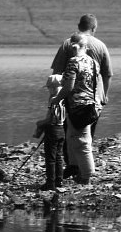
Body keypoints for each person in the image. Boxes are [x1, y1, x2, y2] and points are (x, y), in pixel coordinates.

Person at [57, 34, 105, 183]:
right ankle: (78, 170)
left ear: (72, 46)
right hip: (91, 106)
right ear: (87, 47)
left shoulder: (73, 62)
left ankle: (86, 177)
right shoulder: (93, 62)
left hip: (78, 106)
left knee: (82, 143)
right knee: (75, 139)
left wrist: (55, 99)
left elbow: (69, 87)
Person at [34, 74, 68, 191]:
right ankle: (59, 181)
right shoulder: (65, 97)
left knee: (50, 158)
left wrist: (40, 123)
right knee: (58, 156)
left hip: (53, 129)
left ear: (53, 87)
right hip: (62, 129)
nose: (48, 90)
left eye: (49, 88)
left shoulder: (54, 99)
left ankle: (50, 183)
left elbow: (50, 119)